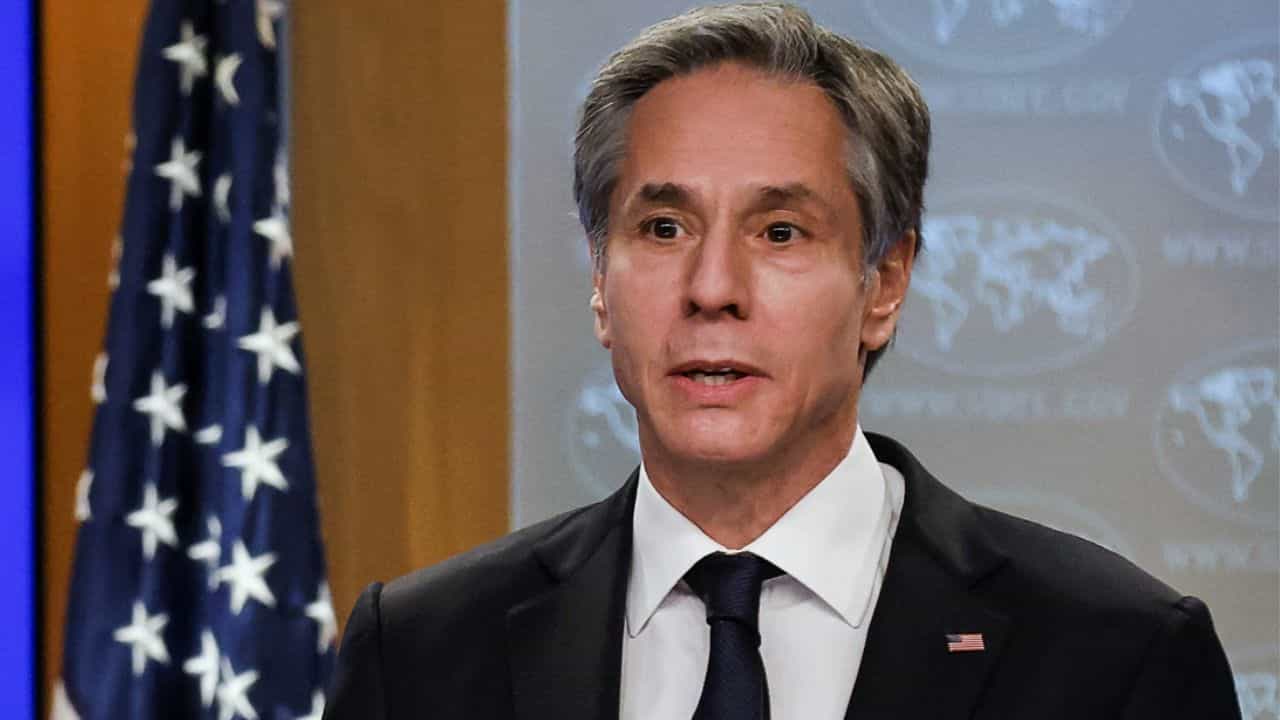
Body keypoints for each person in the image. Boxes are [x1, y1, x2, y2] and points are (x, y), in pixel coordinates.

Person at [324, 4, 1242, 718]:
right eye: (664, 227)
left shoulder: (1114, 655)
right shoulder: (421, 654)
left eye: (780, 232)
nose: (712, 287)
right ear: (601, 281)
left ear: (884, 284)